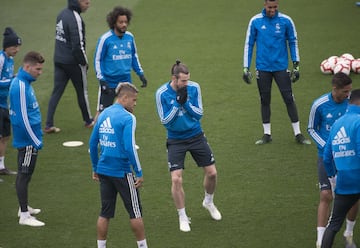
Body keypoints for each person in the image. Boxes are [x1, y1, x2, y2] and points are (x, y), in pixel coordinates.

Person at [155, 60, 222, 232]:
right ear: (174, 78)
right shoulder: (162, 93)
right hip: (176, 139)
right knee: (176, 178)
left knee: (212, 173)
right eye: (183, 81)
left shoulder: (194, 88)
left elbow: (199, 114)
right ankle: (183, 216)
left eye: (187, 80)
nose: (186, 83)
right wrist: (177, 104)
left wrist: (185, 104)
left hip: (196, 135)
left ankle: (208, 201)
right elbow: (165, 122)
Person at [242, 0, 311, 145]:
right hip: (263, 68)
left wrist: (296, 65)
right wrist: (245, 67)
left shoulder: (286, 21)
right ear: (264, 5)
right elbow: (249, 44)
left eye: (275, 7)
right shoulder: (255, 21)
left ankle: (298, 133)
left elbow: (293, 41)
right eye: (269, 7)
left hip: (281, 67)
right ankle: (267, 134)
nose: (272, 10)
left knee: (289, 98)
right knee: (264, 99)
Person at [89, 83, 147, 248]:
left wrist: (95, 167)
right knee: (135, 212)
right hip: (122, 172)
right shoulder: (128, 118)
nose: (135, 103)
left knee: (105, 213)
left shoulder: (103, 113)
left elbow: (93, 144)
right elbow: (129, 147)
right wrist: (139, 171)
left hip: (104, 170)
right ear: (125, 98)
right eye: (134, 100)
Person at [307, 72, 358, 248]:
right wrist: (327, 146)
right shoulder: (319, 104)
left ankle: (349, 233)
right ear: (334, 88)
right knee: (326, 194)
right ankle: (321, 239)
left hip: (347, 156)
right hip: (326, 156)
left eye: (349, 91)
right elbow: (312, 129)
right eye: (345, 91)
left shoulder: (350, 104)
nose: (347, 94)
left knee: (353, 196)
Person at [44, 0, 93, 133]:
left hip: (59, 59)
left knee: (57, 92)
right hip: (72, 62)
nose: (88, 4)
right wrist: (84, 62)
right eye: (85, 2)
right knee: (82, 91)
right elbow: (78, 45)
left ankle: (48, 124)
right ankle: (88, 120)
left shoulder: (61, 14)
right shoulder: (75, 18)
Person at [9, 51, 45, 227]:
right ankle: (24, 215)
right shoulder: (21, 86)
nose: (40, 72)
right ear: (27, 67)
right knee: (24, 175)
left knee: (26, 174)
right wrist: (35, 140)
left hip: (29, 138)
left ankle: (23, 208)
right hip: (28, 140)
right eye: (37, 69)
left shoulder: (24, 82)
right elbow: (22, 118)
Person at [321, 88, 360, 248]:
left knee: (334, 224)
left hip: (343, 182)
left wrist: (332, 178)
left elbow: (326, 157)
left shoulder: (337, 124)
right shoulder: (359, 121)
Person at [94, 6, 147, 121]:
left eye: (126, 22)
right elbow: (98, 60)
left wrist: (140, 73)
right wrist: (101, 79)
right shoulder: (105, 39)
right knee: (102, 114)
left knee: (128, 111)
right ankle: (98, 134)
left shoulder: (130, 37)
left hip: (126, 82)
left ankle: (124, 131)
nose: (124, 25)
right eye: (121, 22)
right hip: (109, 82)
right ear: (114, 23)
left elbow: (134, 56)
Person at [0, 27, 22, 176]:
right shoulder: (1, 58)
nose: (17, 50)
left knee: (6, 135)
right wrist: (12, 80)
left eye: (18, 47)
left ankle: (1, 166)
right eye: (14, 46)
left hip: (4, 103)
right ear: (7, 46)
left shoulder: (11, 60)